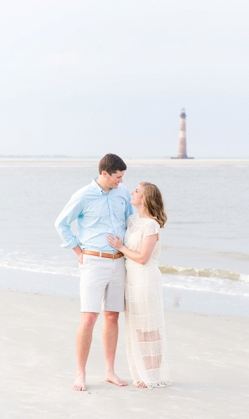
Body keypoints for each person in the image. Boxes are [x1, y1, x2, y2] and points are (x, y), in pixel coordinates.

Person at [54, 153, 133, 391]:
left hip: (119, 262)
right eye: (117, 177)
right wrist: (78, 251)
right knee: (89, 317)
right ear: (104, 173)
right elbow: (61, 224)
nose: (120, 181)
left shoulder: (123, 192)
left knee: (112, 316)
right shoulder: (83, 195)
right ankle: (80, 374)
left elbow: (131, 221)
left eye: (122, 177)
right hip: (93, 261)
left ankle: (109, 371)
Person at [107, 182, 171, 389]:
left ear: (144, 199)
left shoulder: (151, 225)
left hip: (145, 279)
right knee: (137, 328)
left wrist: (120, 247)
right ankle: (143, 373)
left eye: (136, 191)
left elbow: (143, 258)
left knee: (149, 327)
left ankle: (152, 374)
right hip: (131, 279)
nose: (132, 193)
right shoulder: (132, 220)